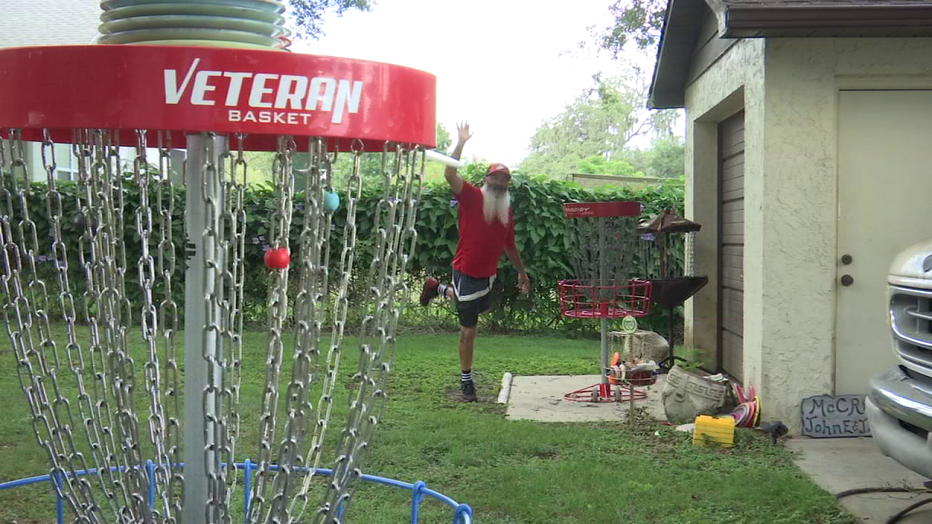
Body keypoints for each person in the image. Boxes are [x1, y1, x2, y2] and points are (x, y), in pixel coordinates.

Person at [420, 122, 529, 402]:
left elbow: (509, 244)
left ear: (508, 185)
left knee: (471, 307)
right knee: (469, 330)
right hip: (466, 271)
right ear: (486, 179)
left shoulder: (506, 210)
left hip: (487, 276)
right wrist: (461, 142)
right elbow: (449, 172)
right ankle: (467, 381)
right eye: (495, 177)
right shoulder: (470, 197)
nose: (499, 182)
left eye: (504, 179)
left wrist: (521, 272)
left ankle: (437, 288)